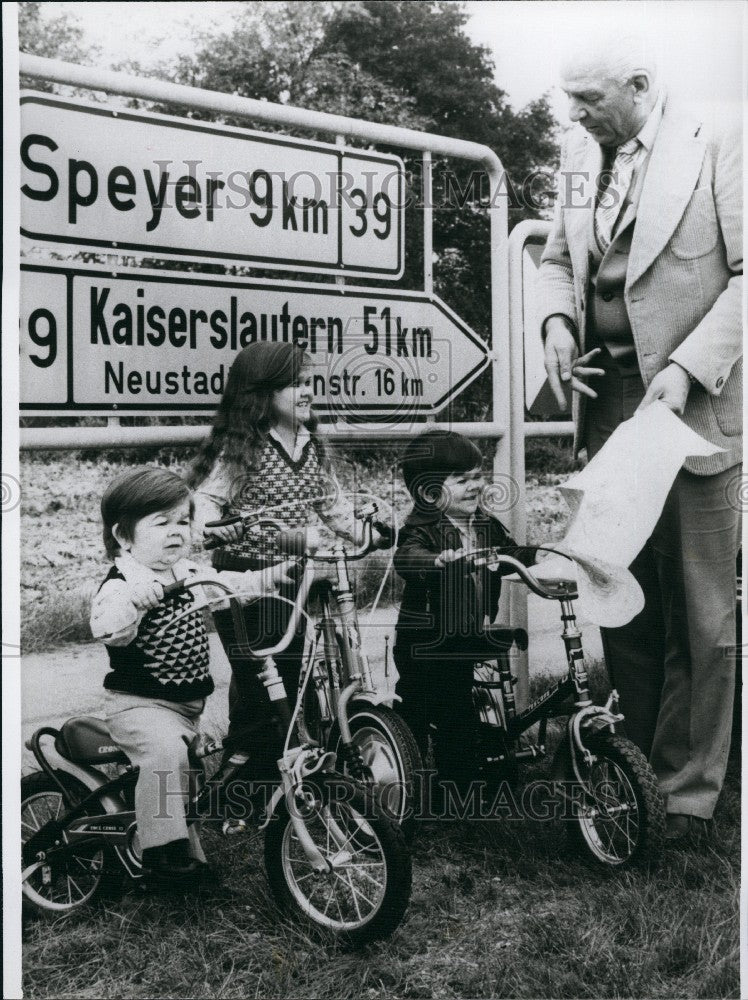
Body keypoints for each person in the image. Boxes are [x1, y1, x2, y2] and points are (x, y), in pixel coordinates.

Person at [537, 29, 742, 840]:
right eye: (568, 97)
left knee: (702, 609)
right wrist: (555, 322)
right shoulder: (578, 153)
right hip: (613, 405)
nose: (573, 112)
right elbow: (557, 259)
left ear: (640, 83)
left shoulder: (722, 138)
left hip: (696, 405)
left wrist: (688, 369)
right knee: (620, 595)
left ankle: (689, 790)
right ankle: (628, 773)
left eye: (588, 97)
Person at [188, 341, 379, 786]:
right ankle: (239, 785)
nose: (307, 390)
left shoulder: (308, 443)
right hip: (244, 583)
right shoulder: (244, 450)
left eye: (308, 380)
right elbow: (206, 504)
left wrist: (369, 532)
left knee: (293, 678)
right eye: (294, 384)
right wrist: (216, 527)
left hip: (293, 580)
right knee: (266, 688)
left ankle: (282, 775)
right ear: (261, 395)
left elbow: (332, 506)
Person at [90, 467, 287, 884]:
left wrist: (274, 576)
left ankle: (188, 863)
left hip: (185, 708)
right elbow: (107, 628)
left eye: (182, 521)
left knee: (186, 782)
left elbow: (228, 584)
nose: (176, 532)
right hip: (139, 706)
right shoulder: (123, 584)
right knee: (166, 755)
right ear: (124, 537)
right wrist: (136, 602)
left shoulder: (187, 572)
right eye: (161, 523)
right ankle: (162, 854)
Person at [393, 430, 539, 803]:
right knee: (418, 708)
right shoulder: (422, 528)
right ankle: (398, 767)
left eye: (479, 476)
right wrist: (435, 560)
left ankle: (455, 787)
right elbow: (406, 558)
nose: (476, 486)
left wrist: (540, 556)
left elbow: (511, 554)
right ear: (429, 493)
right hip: (424, 643)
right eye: (462, 480)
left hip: (462, 638)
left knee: (456, 712)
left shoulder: (484, 525)